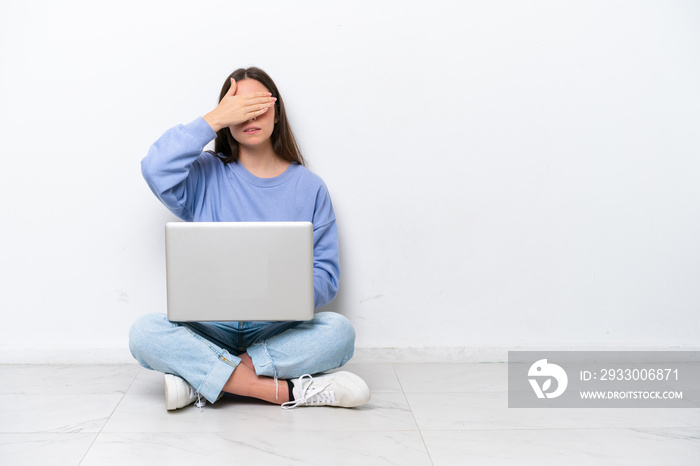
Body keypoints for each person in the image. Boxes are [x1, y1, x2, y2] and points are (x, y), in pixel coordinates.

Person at [129, 67, 370, 411]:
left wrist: (277, 291)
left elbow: (326, 277)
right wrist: (213, 119)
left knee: (339, 333)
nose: (250, 116)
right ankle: (283, 392)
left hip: (273, 332)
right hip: (208, 327)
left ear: (277, 111)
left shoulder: (310, 187)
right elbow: (155, 167)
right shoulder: (203, 174)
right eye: (238, 108)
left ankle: (204, 380)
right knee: (143, 332)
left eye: (259, 105)